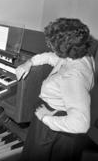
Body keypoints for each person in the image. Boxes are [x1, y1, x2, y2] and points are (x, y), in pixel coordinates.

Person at [16, 18, 95, 161]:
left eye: (50, 43)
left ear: (64, 48)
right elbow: (53, 58)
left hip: (54, 123)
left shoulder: (73, 77)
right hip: (57, 113)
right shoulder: (82, 55)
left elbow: (80, 124)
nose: (49, 45)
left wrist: (46, 118)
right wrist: (29, 62)